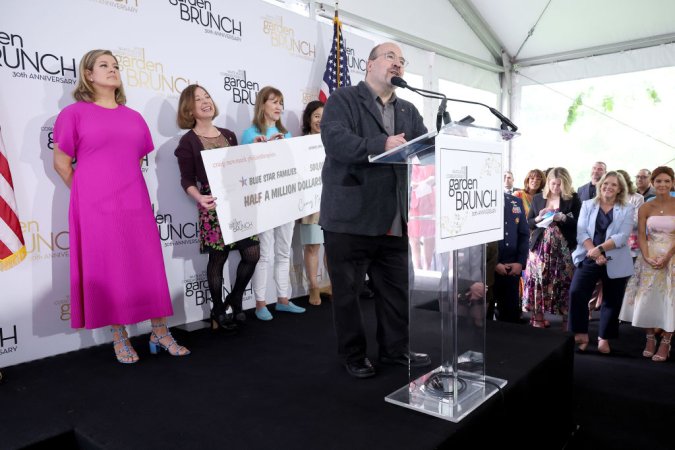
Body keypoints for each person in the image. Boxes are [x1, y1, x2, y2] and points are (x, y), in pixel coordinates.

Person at [52, 49, 189, 363]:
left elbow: (134, 160)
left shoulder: (134, 117)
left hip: (134, 202)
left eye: (115, 65)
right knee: (108, 268)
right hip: (94, 207)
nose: (112, 69)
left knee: (148, 265)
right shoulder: (73, 114)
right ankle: (119, 336)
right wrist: (88, 195)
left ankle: (160, 331)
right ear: (89, 75)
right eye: (104, 65)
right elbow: (61, 164)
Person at [319, 42, 430, 378]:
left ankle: (395, 350)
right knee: (348, 295)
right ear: (369, 65)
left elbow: (424, 149)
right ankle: (353, 354)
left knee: (396, 291)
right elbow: (335, 141)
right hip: (349, 218)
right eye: (389, 57)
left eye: (402, 60)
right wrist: (380, 144)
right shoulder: (343, 99)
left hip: (393, 219)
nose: (397, 64)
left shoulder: (408, 109)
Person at [174, 84, 260, 333]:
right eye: (198, 99)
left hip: (238, 202)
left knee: (252, 253)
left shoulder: (229, 135)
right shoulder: (188, 141)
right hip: (212, 205)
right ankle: (218, 309)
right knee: (218, 259)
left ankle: (235, 297)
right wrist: (199, 198)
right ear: (189, 109)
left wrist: (256, 149)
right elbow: (186, 179)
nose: (205, 101)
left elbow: (239, 166)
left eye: (207, 96)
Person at [241, 86, 306, 320]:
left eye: (281, 102)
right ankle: (260, 304)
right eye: (274, 102)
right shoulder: (249, 134)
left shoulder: (285, 134)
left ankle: (283, 300)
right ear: (262, 105)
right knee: (264, 254)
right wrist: (260, 147)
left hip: (285, 200)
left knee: (283, 252)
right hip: (263, 202)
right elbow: (243, 169)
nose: (279, 107)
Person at [568, 171, 635, 353]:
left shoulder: (628, 208)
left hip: (615, 257)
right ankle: (581, 333)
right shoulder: (588, 204)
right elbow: (581, 232)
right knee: (576, 292)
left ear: (620, 189)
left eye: (614, 184)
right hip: (589, 255)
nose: (608, 187)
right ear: (600, 185)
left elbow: (622, 236)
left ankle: (604, 337)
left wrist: (600, 249)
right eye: (606, 183)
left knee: (612, 299)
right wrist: (595, 253)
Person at [619, 166, 674, 362]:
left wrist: (668, 256)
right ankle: (650, 338)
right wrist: (647, 256)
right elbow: (641, 235)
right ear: (653, 183)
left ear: (672, 183)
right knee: (647, 298)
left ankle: (666, 341)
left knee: (671, 299)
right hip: (649, 256)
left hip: (672, 256)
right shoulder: (645, 206)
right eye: (659, 181)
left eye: (667, 181)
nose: (662, 184)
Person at [524, 168, 581, 329]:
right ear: (548, 183)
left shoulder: (573, 199)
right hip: (539, 248)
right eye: (553, 184)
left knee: (564, 280)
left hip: (563, 248)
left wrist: (562, 218)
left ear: (566, 184)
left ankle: (566, 320)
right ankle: (538, 318)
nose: (555, 187)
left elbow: (580, 224)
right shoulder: (538, 198)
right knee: (538, 280)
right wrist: (538, 217)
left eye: (559, 184)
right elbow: (529, 223)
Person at [297, 100, 329, 306]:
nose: (320, 121)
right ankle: (314, 287)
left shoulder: (333, 142)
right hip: (310, 203)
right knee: (312, 247)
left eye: (324, 117)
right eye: (316, 116)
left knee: (333, 247)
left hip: (332, 201)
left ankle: (332, 284)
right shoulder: (300, 144)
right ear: (309, 119)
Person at [492, 193, 529, 323]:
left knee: (510, 315)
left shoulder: (515, 201)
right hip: (489, 268)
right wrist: (494, 264)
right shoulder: (481, 200)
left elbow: (524, 235)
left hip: (512, 267)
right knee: (486, 317)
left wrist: (520, 262)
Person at [408, 164, 436, 270]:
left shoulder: (431, 161)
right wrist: (416, 184)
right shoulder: (411, 162)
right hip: (413, 203)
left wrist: (425, 182)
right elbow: (408, 180)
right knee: (414, 236)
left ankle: (427, 266)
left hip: (429, 203)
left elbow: (436, 177)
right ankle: (417, 266)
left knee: (429, 236)